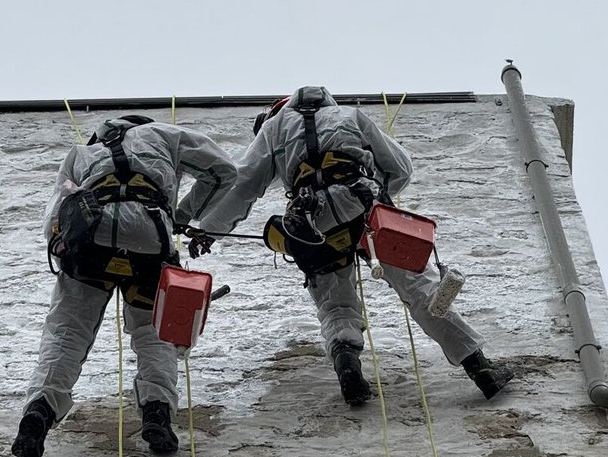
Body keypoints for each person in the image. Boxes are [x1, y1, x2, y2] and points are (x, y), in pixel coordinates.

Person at [194, 86, 513, 406]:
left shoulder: (274, 128)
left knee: (335, 305)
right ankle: (480, 367)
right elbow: (400, 168)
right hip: (363, 211)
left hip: (310, 224)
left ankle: (348, 367)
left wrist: (209, 231)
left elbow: (243, 183)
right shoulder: (350, 116)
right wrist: (379, 198)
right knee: (419, 286)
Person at [12, 115, 237, 457]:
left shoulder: (79, 154)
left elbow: (55, 215)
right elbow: (223, 172)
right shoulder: (165, 135)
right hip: (150, 240)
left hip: (89, 241)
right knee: (154, 334)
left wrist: (58, 242)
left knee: (66, 333)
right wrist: (182, 216)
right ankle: (157, 413)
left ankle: (37, 415)